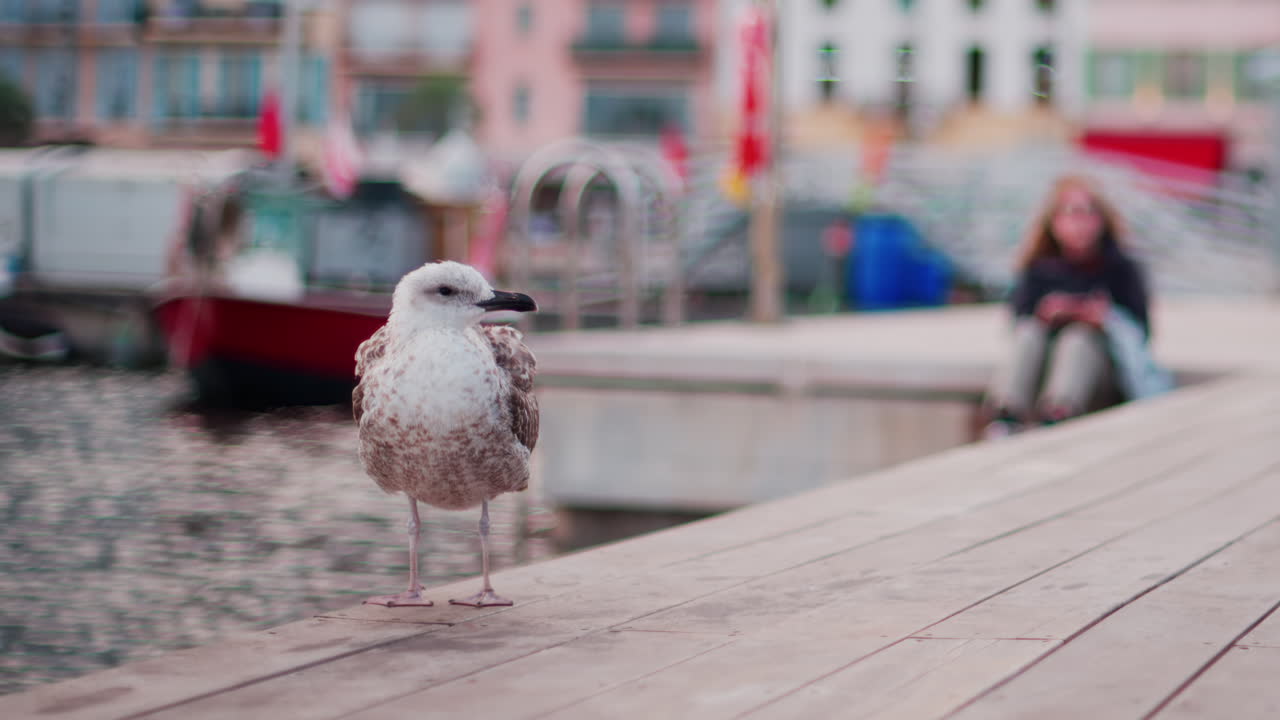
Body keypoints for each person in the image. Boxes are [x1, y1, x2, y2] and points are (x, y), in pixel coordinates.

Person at [984, 174, 1151, 438]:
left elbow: (1142, 333)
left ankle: (1059, 413)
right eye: (1070, 214)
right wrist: (1047, 314)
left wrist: (1103, 319)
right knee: (1028, 334)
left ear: (1102, 219)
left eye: (1087, 214)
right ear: (1053, 222)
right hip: (1044, 364)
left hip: (1099, 371)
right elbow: (1018, 321)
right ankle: (1006, 414)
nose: (1079, 224)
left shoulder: (1120, 268)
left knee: (1078, 339)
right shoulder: (1038, 268)